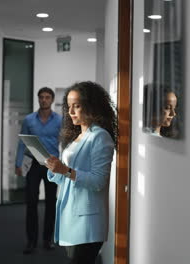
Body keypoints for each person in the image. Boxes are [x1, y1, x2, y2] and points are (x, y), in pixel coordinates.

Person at [45, 81, 117, 264]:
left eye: (77, 106)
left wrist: (66, 170)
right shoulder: (77, 136)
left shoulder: (100, 136)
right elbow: (66, 178)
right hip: (71, 213)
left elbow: (98, 181)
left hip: (88, 220)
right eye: (69, 107)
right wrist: (55, 169)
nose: (71, 112)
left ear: (92, 106)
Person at [15, 87, 62, 254]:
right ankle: (31, 241)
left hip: (51, 165)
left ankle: (47, 240)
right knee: (31, 203)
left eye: (47, 97)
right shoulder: (29, 120)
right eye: (41, 97)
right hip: (33, 164)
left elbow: (66, 142)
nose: (44, 100)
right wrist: (18, 163)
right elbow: (22, 143)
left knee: (51, 203)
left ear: (52, 100)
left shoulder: (59, 120)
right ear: (38, 99)